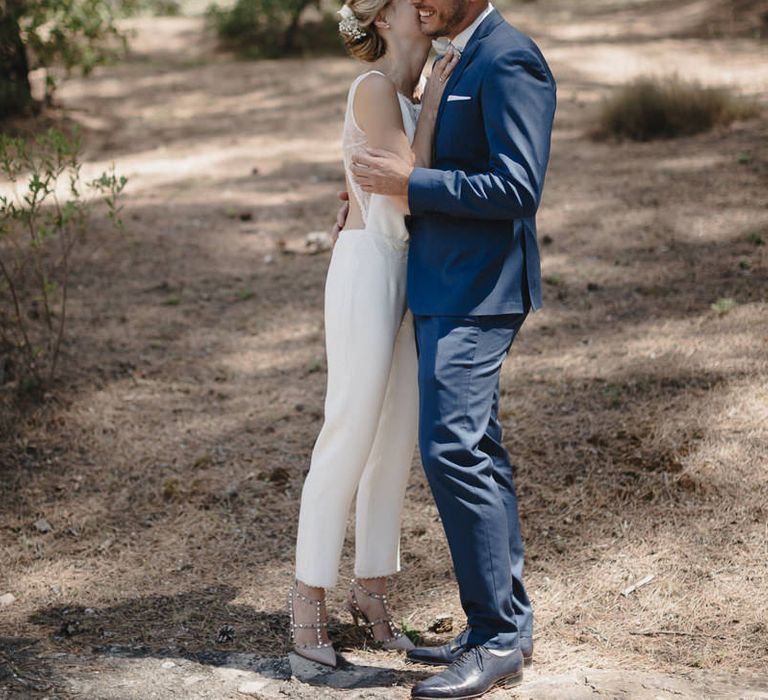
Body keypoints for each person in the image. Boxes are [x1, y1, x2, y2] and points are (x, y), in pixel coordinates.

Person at [347, 0, 557, 697]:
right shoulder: (449, 57)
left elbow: (518, 186)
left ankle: (497, 639)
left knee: (452, 448)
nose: (418, 1)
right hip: (441, 285)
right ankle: (502, 625)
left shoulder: (509, 57)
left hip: (480, 289)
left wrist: (412, 185)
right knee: (477, 449)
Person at [289, 0, 459, 669]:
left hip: (411, 275)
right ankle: (306, 612)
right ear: (382, 18)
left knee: (393, 443)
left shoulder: (417, 92)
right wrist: (441, 95)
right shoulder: (375, 88)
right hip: (368, 271)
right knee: (349, 434)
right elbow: (406, 191)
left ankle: (372, 596)